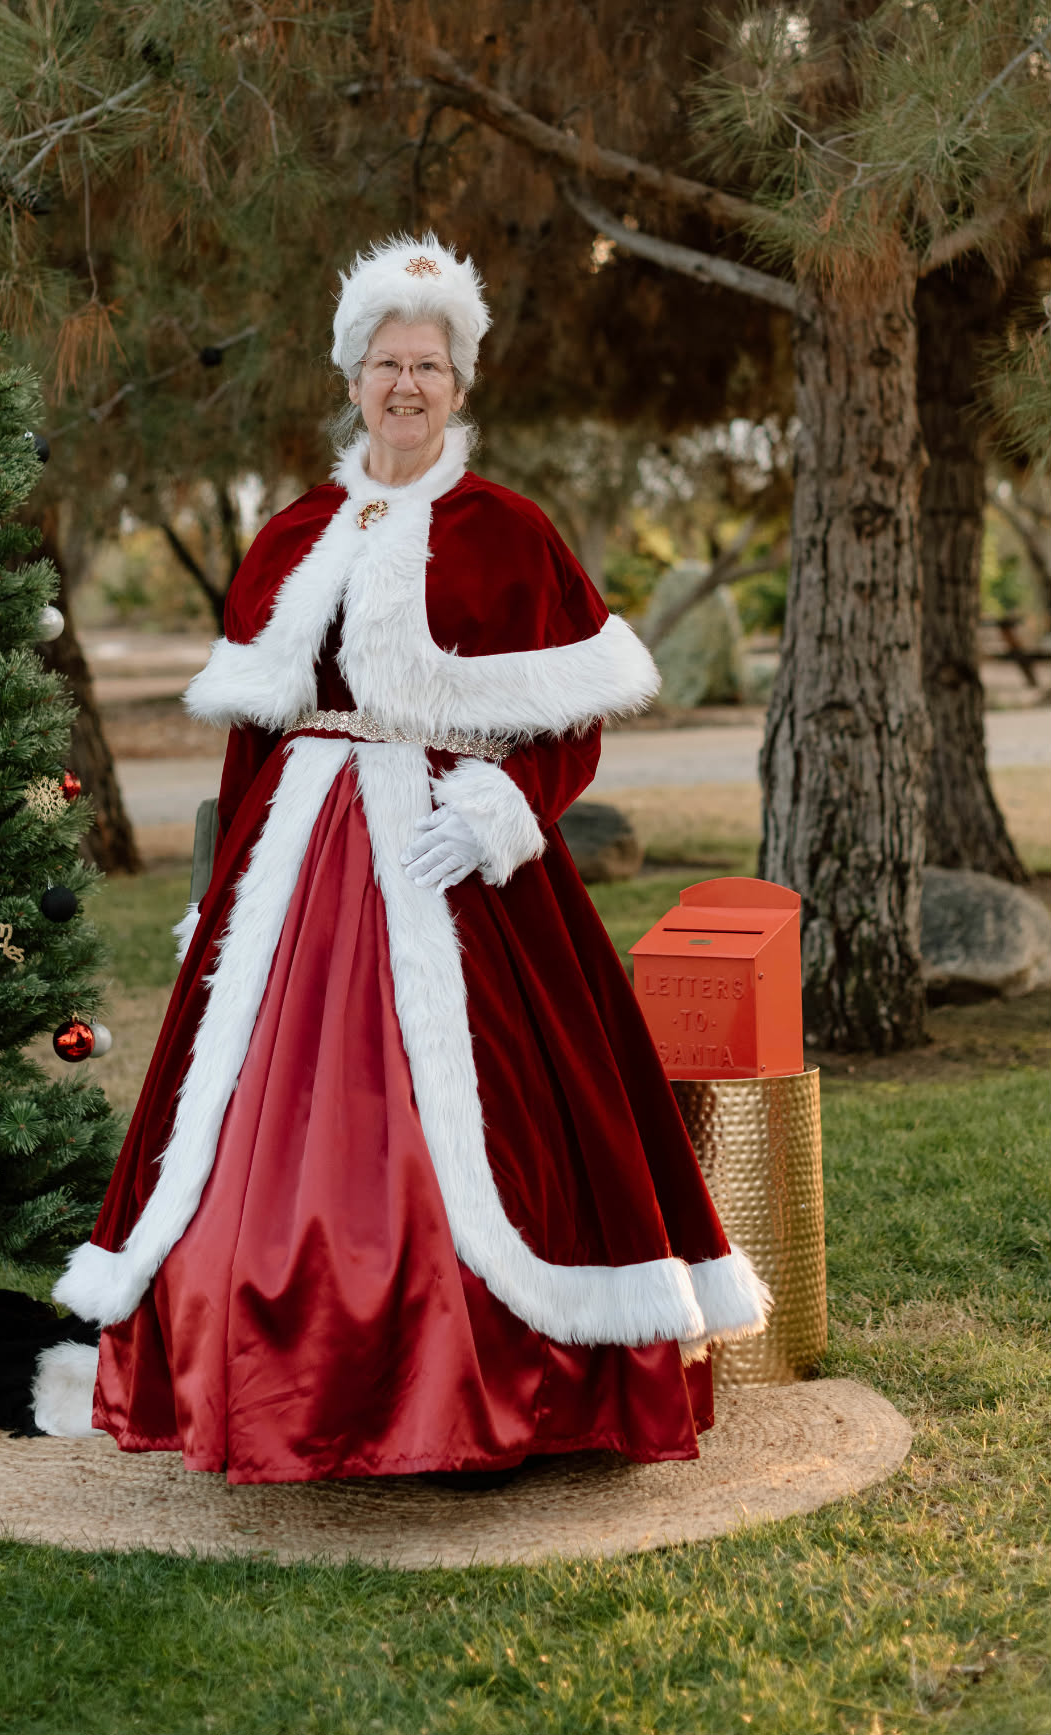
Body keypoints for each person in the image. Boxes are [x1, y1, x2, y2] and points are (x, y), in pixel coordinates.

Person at [54, 233, 769, 1483]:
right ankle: (280, 1388)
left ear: (460, 382)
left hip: (461, 859)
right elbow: (253, 748)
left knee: (511, 1124)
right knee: (257, 1129)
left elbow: (576, 718)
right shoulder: (289, 540)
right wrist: (215, 901)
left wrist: (512, 807)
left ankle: (501, 1391)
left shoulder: (511, 532)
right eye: (386, 362)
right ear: (351, 378)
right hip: (302, 862)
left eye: (428, 365)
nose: (406, 385)